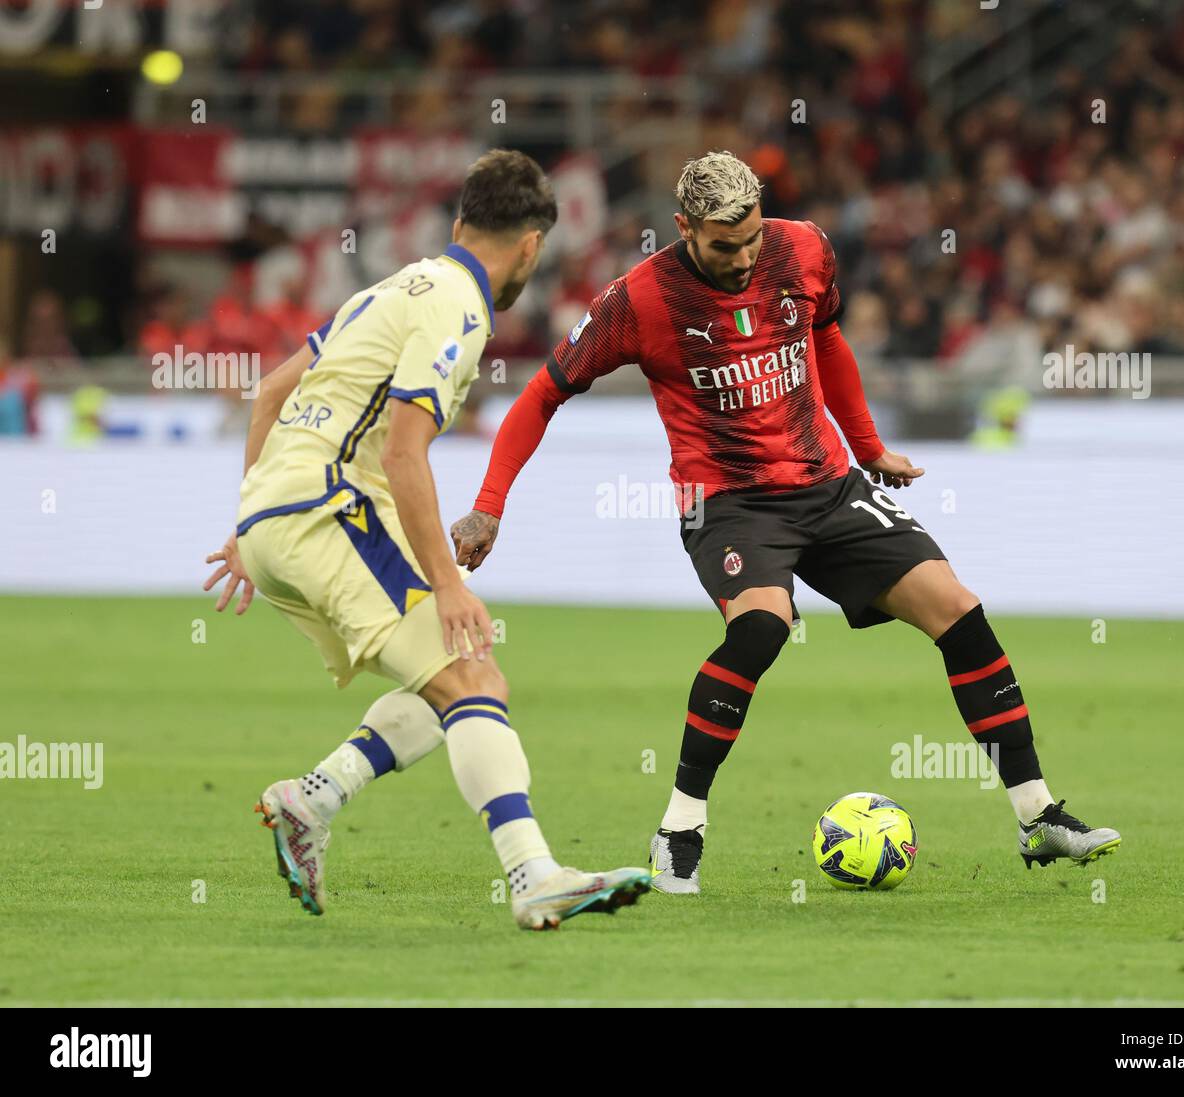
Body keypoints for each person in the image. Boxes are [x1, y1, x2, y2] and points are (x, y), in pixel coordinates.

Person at [450, 151, 1121, 894]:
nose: (741, 259)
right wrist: (489, 504)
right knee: (764, 623)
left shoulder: (804, 249)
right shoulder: (638, 300)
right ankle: (679, 830)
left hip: (827, 485)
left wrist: (869, 450)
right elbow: (543, 392)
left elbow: (827, 338)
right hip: (729, 502)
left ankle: (1038, 816)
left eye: (750, 238)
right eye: (721, 245)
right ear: (683, 229)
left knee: (959, 611)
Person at [202, 149, 650, 928]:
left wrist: (249, 521)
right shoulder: (458, 308)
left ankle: (312, 799)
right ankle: (533, 874)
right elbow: (406, 450)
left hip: (282, 516)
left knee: (466, 679)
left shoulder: (391, 287)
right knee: (471, 683)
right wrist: (447, 580)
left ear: (457, 225)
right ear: (531, 247)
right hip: (329, 511)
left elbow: (272, 390)